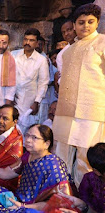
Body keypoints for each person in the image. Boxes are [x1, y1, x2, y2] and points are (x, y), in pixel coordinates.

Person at [53, 3, 105, 187]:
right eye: (81, 22)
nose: (86, 26)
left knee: (86, 157)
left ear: (97, 22)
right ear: (74, 25)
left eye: (91, 22)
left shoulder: (102, 42)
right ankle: (62, 195)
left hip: (91, 109)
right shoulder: (67, 51)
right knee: (61, 154)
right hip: (66, 109)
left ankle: (84, 198)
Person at [0, 124, 73, 212]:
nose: (28, 140)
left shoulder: (54, 165)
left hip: (39, 208)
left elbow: (60, 202)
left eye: (34, 138)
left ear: (47, 144)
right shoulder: (28, 156)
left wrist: (23, 206)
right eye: (27, 136)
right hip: (20, 199)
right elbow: (7, 173)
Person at [11, 28, 49, 134]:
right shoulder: (13, 55)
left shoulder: (41, 60)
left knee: (26, 130)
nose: (27, 43)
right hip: (13, 98)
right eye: (26, 39)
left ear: (37, 43)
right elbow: (8, 77)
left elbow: (43, 82)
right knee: (11, 128)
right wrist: (9, 96)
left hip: (29, 102)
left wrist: (37, 101)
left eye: (31, 40)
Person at [54, 19, 77, 93]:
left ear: (75, 28)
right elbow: (62, 77)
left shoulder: (87, 46)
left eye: (69, 30)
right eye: (63, 32)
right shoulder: (61, 55)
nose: (66, 34)